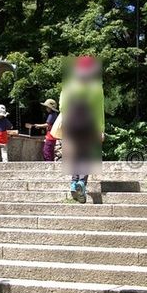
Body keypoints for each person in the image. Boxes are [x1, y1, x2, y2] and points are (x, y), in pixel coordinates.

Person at [55, 56, 105, 203]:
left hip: (71, 122)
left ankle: (73, 182)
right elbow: (98, 110)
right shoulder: (96, 87)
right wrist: (100, 129)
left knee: (75, 153)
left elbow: (62, 106)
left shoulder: (69, 85)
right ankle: (81, 183)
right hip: (88, 123)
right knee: (86, 154)